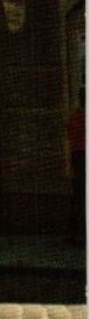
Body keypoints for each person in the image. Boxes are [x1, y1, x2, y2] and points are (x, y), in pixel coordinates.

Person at [66, 95, 85, 243]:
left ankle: (74, 233)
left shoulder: (74, 118)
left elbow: (68, 142)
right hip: (83, 156)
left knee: (78, 196)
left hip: (77, 157)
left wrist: (68, 164)